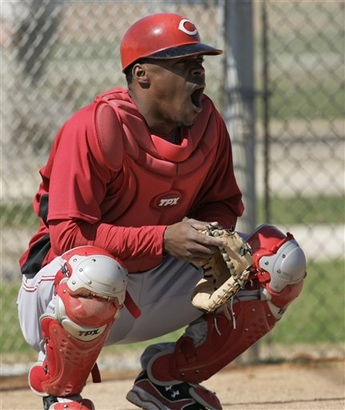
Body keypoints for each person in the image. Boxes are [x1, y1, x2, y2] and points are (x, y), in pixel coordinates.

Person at [17, 13, 306, 410]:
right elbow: (68, 237)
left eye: (200, 65)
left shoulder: (208, 126)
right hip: (63, 293)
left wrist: (213, 241)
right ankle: (62, 393)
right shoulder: (96, 127)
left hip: (151, 285)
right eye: (184, 66)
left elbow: (221, 203)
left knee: (278, 262)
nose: (199, 77)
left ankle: (168, 380)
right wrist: (165, 238)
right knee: (97, 270)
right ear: (142, 75)